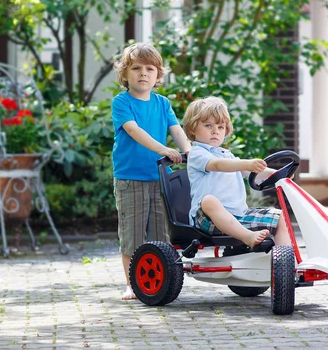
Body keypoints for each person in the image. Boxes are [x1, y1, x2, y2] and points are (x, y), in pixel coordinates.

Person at [111, 42, 191, 300]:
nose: (143, 73)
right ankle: (131, 284)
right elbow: (135, 132)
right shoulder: (121, 102)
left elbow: (176, 131)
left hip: (160, 179)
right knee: (132, 235)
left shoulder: (162, 103)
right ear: (125, 74)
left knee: (161, 235)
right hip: (130, 178)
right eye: (136, 68)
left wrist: (192, 153)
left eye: (149, 68)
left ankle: (162, 283)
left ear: (158, 75)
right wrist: (165, 150)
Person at [182, 96, 290, 249]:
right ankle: (248, 237)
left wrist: (279, 173)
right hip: (206, 219)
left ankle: (285, 259)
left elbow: (254, 171)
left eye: (220, 127)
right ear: (192, 128)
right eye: (208, 125)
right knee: (209, 201)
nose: (215, 131)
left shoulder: (227, 154)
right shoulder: (197, 153)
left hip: (239, 215)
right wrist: (246, 163)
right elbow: (218, 165)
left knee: (280, 217)